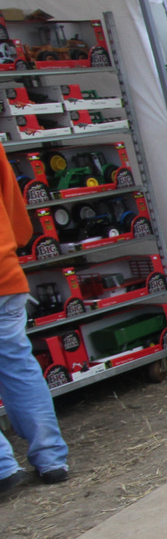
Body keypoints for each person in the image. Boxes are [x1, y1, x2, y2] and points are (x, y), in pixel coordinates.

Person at [1, 150, 70, 496]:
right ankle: (51, 459)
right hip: (4, 275)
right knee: (18, 366)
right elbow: (16, 211)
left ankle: (3, 469)